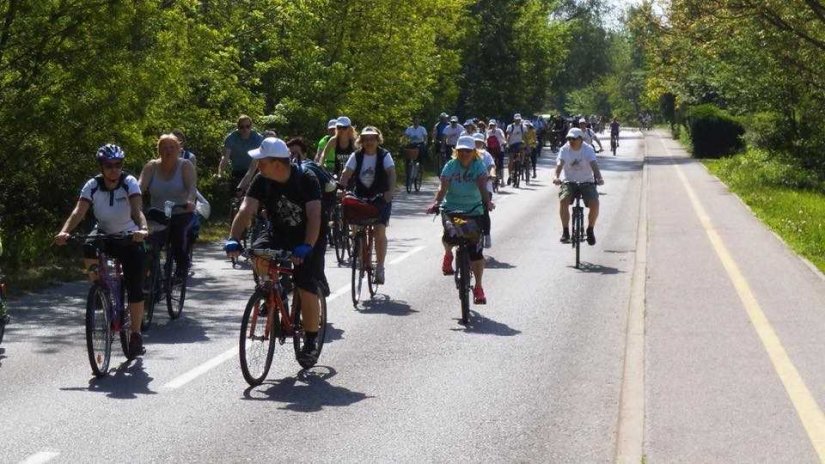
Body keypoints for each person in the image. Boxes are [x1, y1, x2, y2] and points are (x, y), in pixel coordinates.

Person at [224, 137, 327, 363]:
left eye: (262, 161)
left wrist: (307, 246)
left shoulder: (305, 179)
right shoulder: (262, 179)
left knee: (305, 284)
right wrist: (233, 237)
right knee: (257, 252)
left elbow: (314, 216)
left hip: (309, 234)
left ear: (277, 163)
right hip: (278, 231)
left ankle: (310, 340)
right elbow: (246, 209)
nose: (258, 165)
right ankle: (272, 290)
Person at [54, 144, 149, 358]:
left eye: (118, 165)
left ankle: (135, 334)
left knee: (135, 287)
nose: (114, 169)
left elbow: (137, 210)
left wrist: (142, 229)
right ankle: (99, 286)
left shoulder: (129, 182)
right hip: (105, 233)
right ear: (102, 167)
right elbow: (79, 211)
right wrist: (64, 232)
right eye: (109, 165)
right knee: (88, 244)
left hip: (128, 236)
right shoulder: (93, 185)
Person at [426, 135, 494, 304]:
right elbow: (443, 187)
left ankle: (478, 287)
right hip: (452, 208)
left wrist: (487, 202)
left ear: (474, 152)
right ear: (456, 151)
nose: (464, 153)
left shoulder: (478, 166)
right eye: (461, 150)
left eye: (468, 151)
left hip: (473, 209)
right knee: (450, 234)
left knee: (475, 252)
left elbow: (482, 186)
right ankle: (448, 254)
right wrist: (437, 203)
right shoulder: (450, 166)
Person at [338, 126, 396, 285]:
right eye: (366, 139)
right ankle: (362, 256)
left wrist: (390, 191)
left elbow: (391, 173)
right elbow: (346, 174)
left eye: (372, 138)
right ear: (361, 141)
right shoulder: (356, 155)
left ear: (378, 140)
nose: (369, 142)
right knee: (356, 225)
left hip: (380, 197)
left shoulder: (385, 155)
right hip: (361, 196)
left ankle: (380, 267)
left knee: (379, 230)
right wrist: (341, 189)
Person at [139, 134, 198, 281]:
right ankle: (153, 274)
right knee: (146, 241)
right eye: (164, 147)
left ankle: (181, 267)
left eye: (172, 147)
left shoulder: (185, 165)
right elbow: (139, 188)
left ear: (179, 149)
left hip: (181, 211)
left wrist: (190, 201)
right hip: (157, 214)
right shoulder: (151, 166)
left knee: (178, 236)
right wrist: (132, 201)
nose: (168, 151)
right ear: (159, 150)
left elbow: (192, 188)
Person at [552, 128, 605, 245]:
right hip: (569, 181)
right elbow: (560, 163)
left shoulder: (588, 149)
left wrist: (599, 177)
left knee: (595, 203)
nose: (571, 141)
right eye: (569, 138)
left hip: (587, 181)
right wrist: (556, 177)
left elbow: (594, 164)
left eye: (574, 138)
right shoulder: (564, 149)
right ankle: (565, 231)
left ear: (581, 139)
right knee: (563, 200)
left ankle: (590, 229)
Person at [218, 115, 264, 194]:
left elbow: (260, 159)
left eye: (248, 126)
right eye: (242, 127)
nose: (245, 129)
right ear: (238, 127)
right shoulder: (231, 138)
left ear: (251, 126)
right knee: (237, 193)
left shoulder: (258, 138)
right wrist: (220, 174)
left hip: (255, 170)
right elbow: (225, 158)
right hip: (238, 171)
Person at [473, 133, 496, 248]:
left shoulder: (486, 155)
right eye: (475, 142)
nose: (477, 144)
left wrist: (492, 174)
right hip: (470, 190)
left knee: (484, 211)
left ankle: (487, 235)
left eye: (479, 142)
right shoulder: (468, 154)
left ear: (483, 143)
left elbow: (492, 166)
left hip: (486, 188)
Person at [403, 117, 428, 185]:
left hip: (420, 144)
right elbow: (405, 136)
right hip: (411, 144)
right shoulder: (409, 128)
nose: (416, 122)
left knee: (422, 153)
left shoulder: (422, 128)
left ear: (419, 121)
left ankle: (421, 167)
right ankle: (407, 174)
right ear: (413, 121)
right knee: (407, 153)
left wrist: (425, 143)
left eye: (417, 120)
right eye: (415, 120)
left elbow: (425, 137)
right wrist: (404, 142)